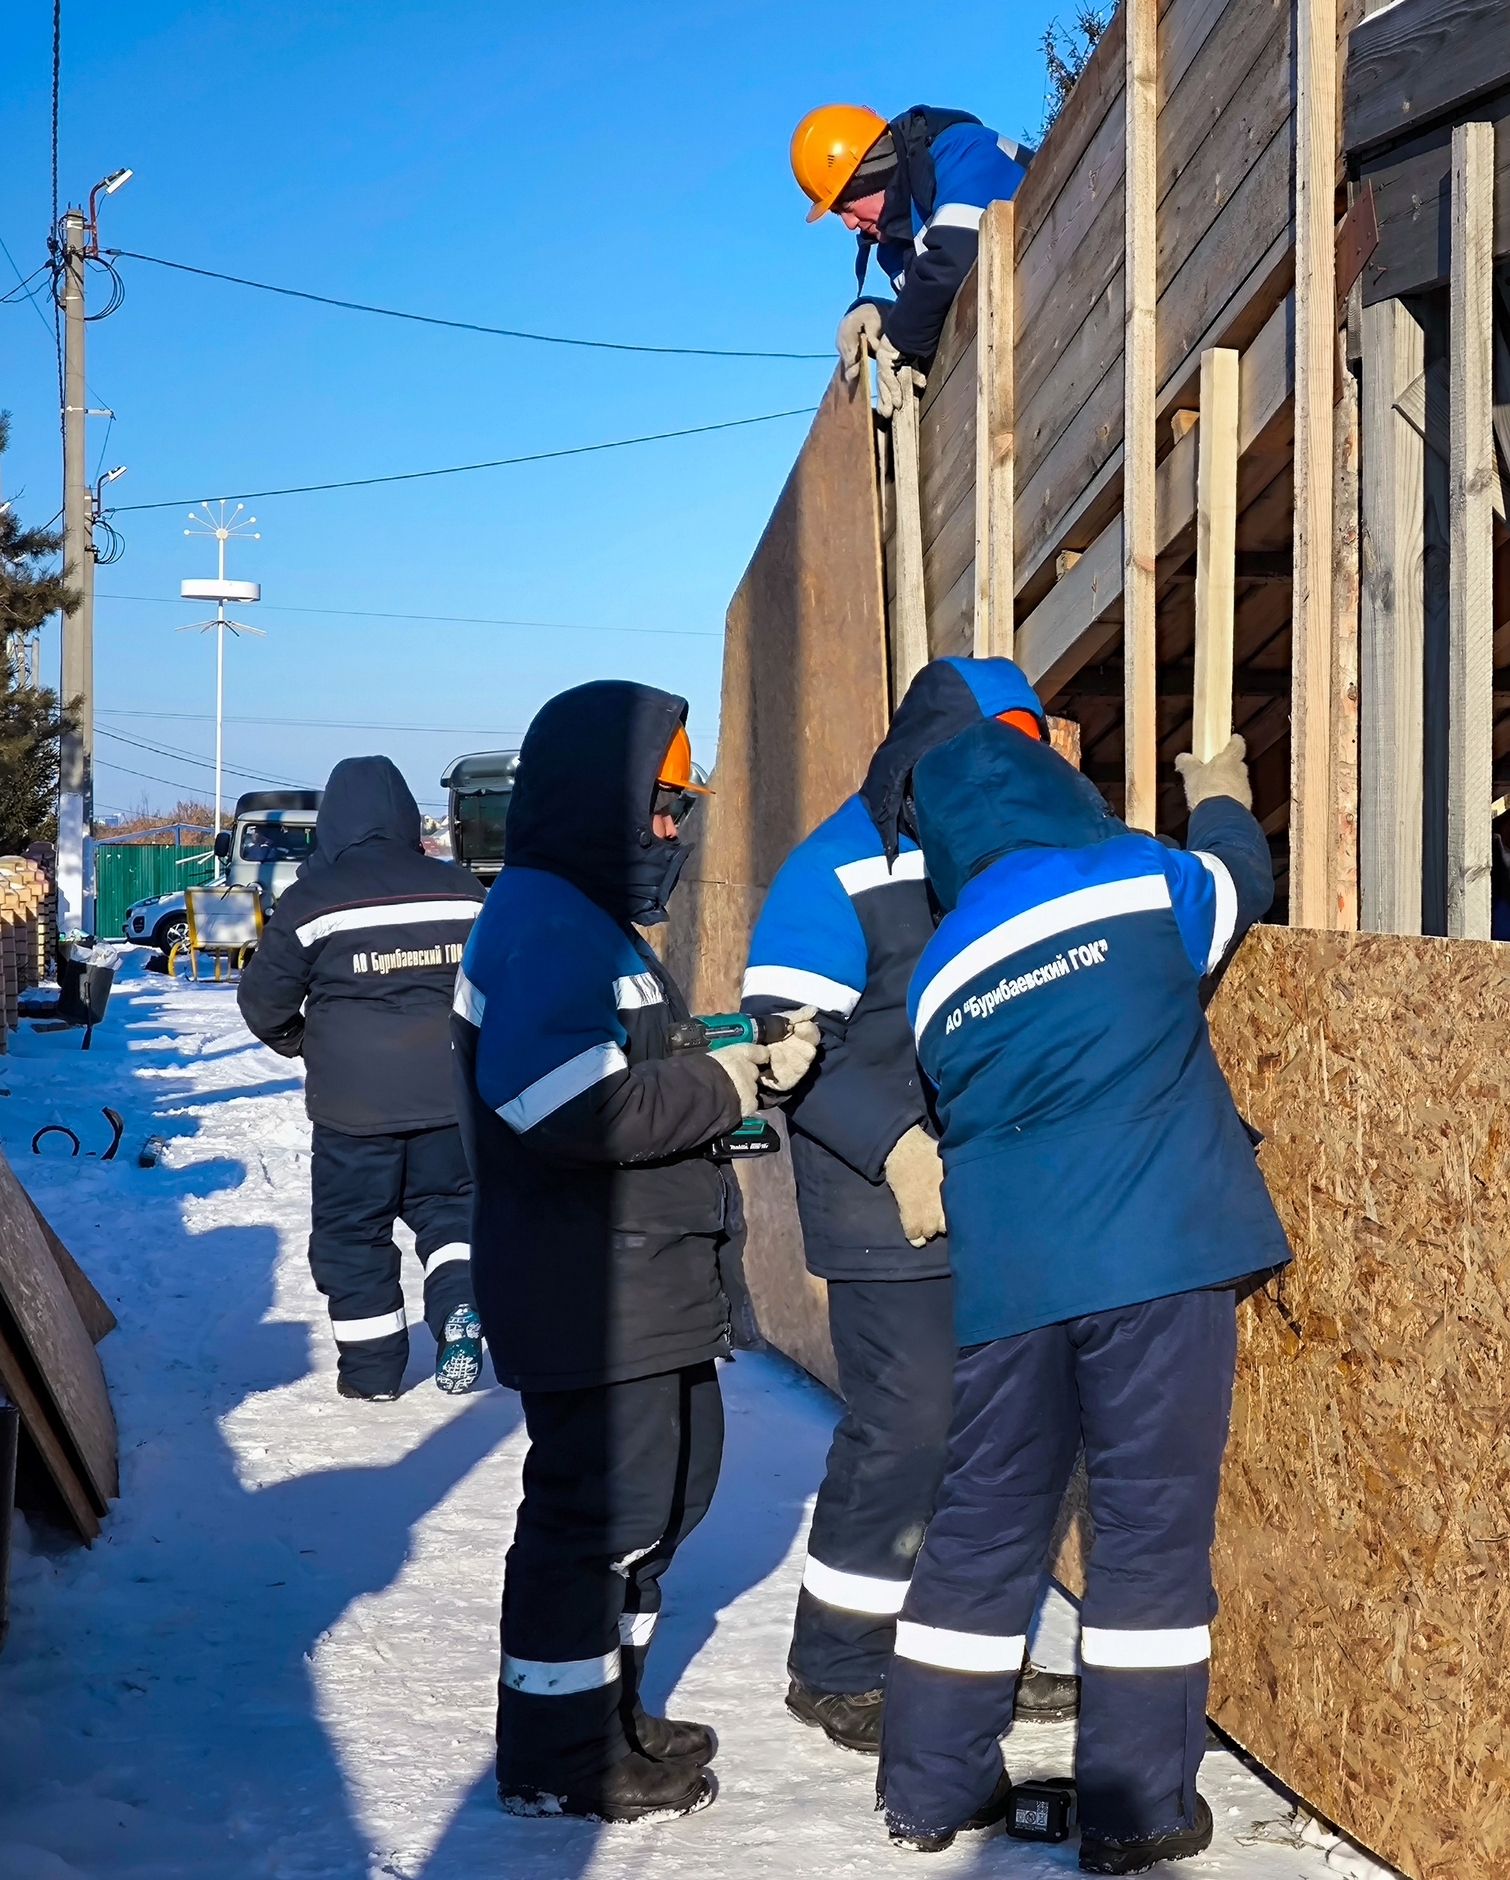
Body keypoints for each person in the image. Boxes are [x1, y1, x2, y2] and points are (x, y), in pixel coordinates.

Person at [876, 718, 1287, 1873]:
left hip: (1011, 1281)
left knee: (982, 1524)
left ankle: (930, 1788)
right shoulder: (1129, 878)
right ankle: (1133, 1805)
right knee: (1148, 1529)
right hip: (1151, 1258)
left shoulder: (938, 966)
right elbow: (1235, 884)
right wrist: (1216, 793)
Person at [452, 680, 817, 1824]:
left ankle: (606, 1711)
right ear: (590, 797)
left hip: (640, 1280)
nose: (670, 831)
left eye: (680, 807)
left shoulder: (582, 919)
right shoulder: (548, 922)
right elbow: (569, 1103)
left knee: (659, 1506)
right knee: (595, 1520)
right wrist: (725, 1083)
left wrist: (718, 1049)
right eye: (656, 805)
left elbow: (626, 1057)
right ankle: (559, 1756)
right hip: (589, 1290)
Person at [738, 657, 1080, 1754]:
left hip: (1002, 1193)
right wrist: (897, 1147)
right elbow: (786, 1045)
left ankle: (967, 1658)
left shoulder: (1011, 845)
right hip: (885, 1203)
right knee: (909, 1427)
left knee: (1004, 1436)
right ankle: (837, 1664)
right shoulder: (836, 865)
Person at [240, 754, 488, 1401]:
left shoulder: (312, 899)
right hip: (451, 1099)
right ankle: (460, 1308)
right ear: (406, 815)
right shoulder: (462, 890)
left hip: (353, 1109)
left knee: (354, 1233)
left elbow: (262, 1001)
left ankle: (374, 1375)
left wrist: (304, 1043)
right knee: (451, 1213)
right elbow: (503, 986)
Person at [789, 103, 1032, 398]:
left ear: (873, 176)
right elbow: (944, 310)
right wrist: (882, 317)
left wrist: (901, 335)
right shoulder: (895, 249)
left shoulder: (961, 151)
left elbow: (954, 258)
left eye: (847, 208)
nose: (849, 224)